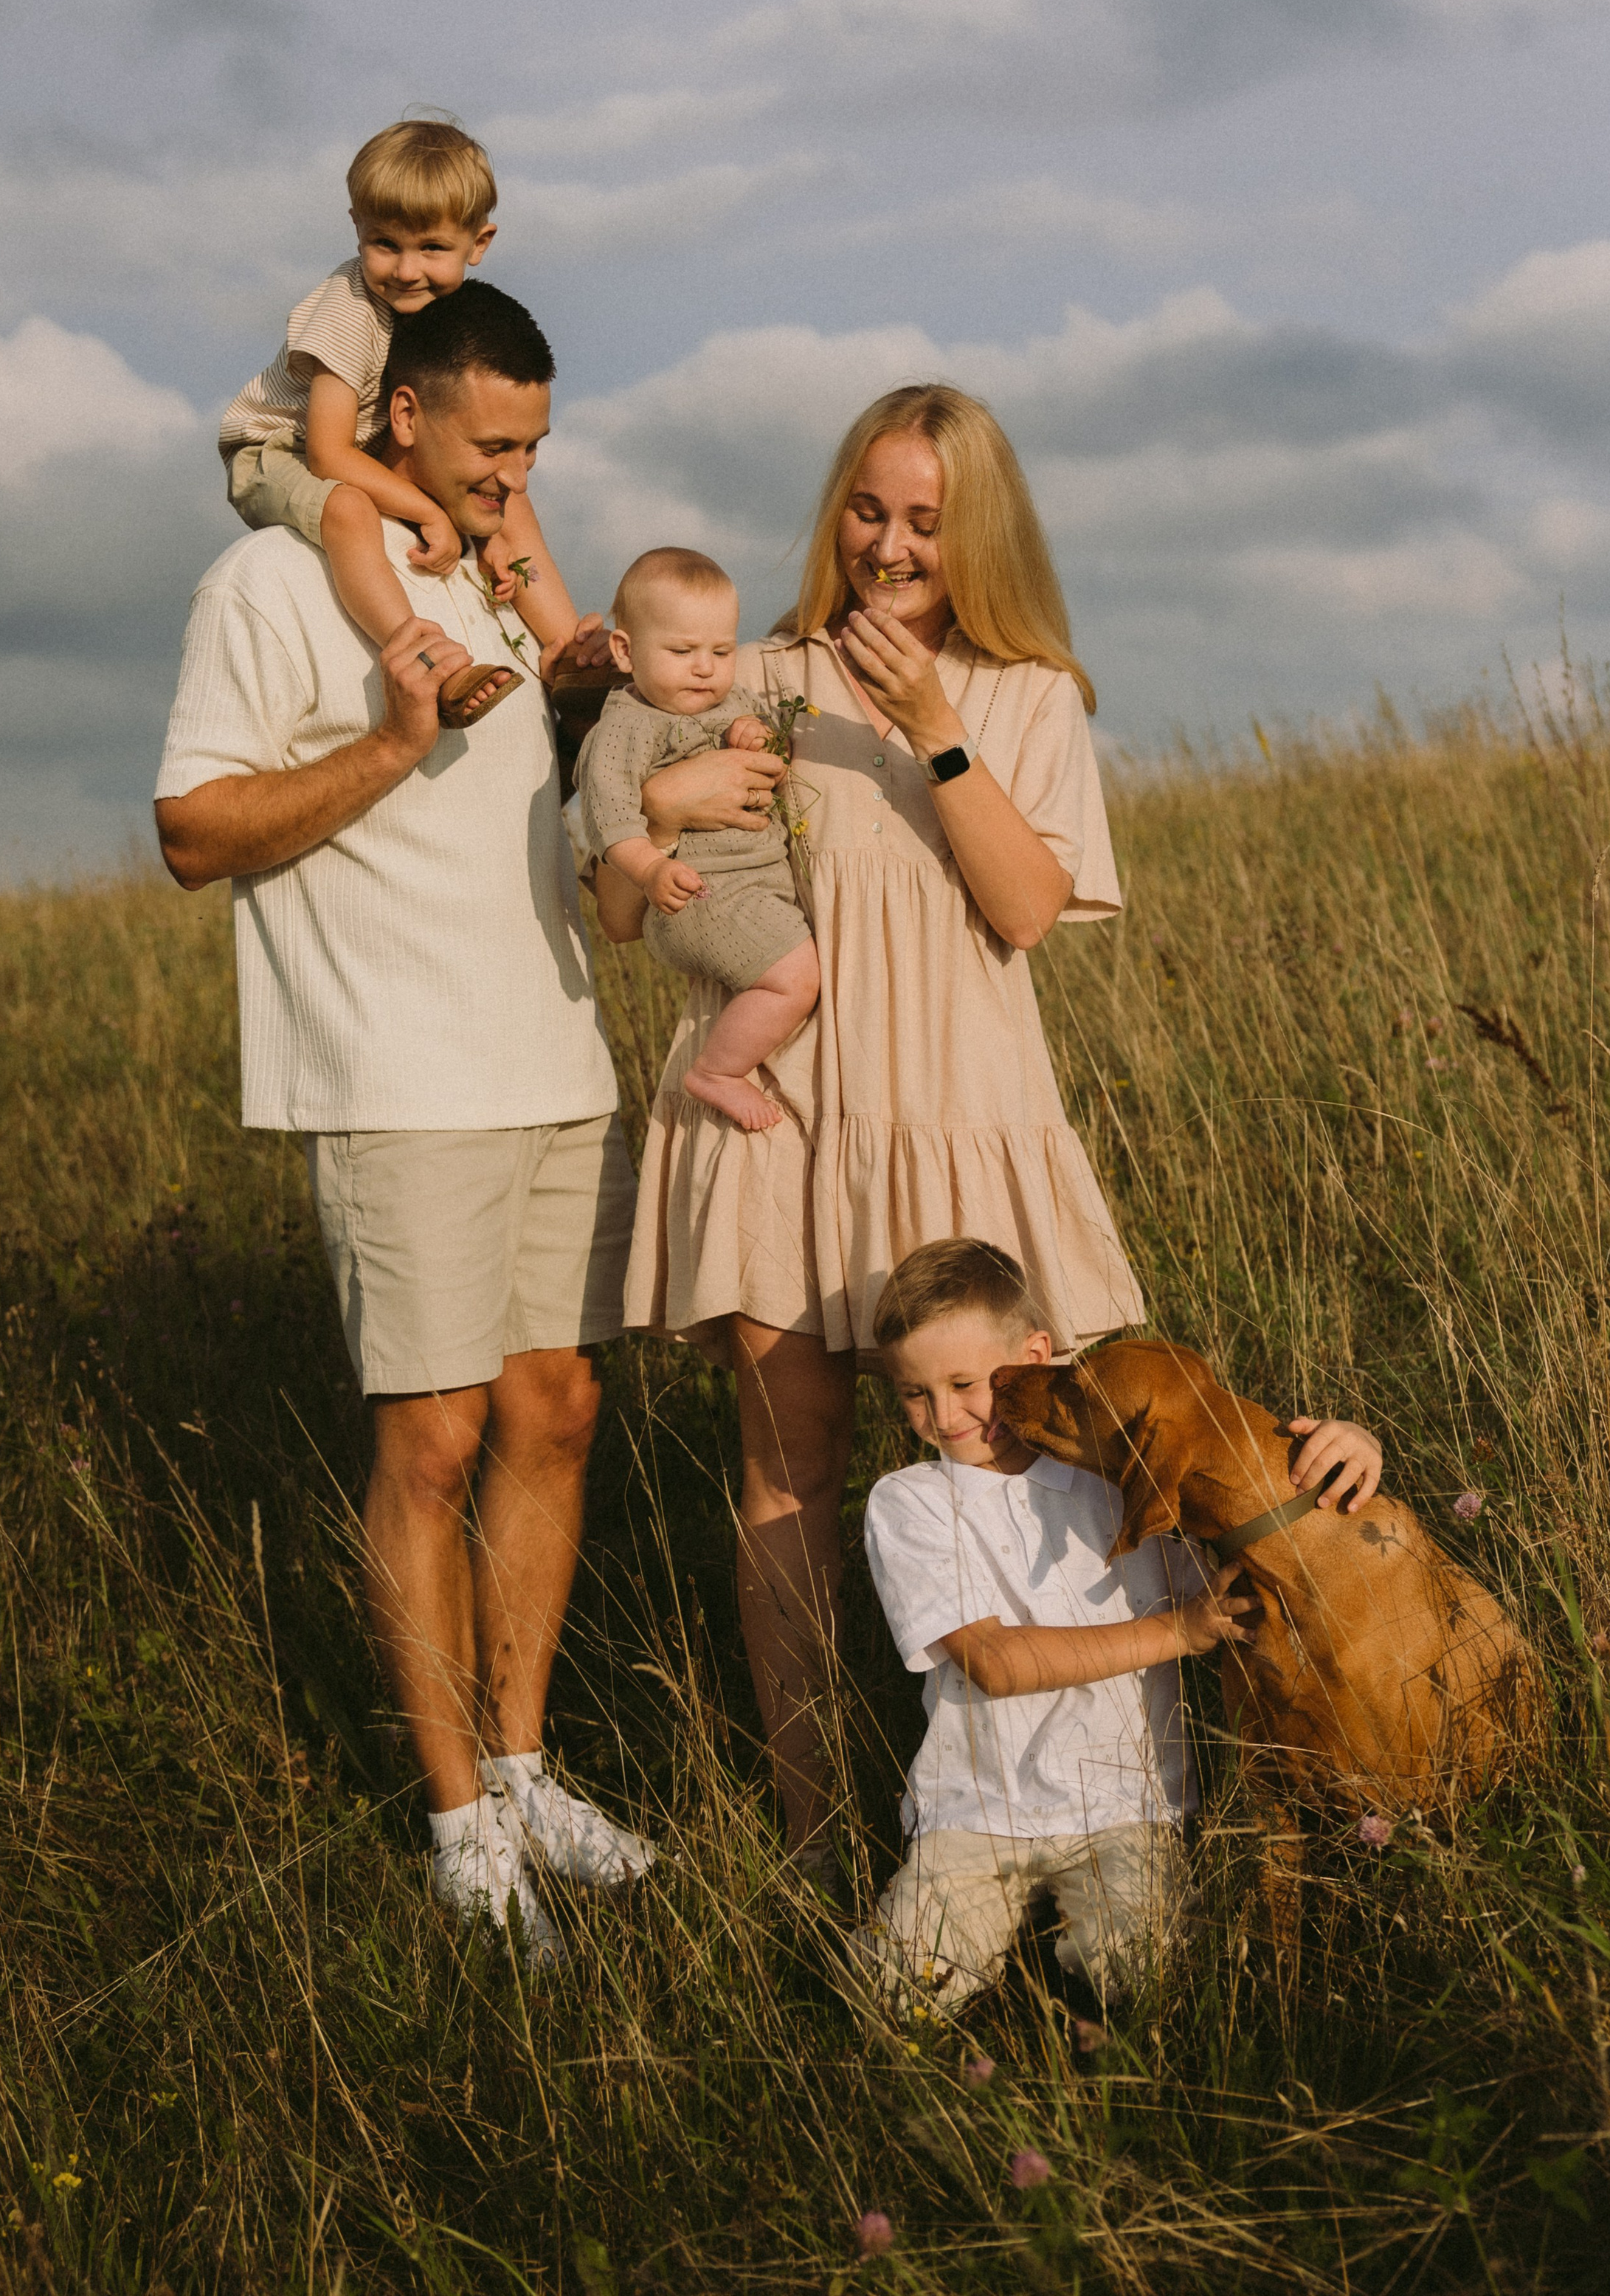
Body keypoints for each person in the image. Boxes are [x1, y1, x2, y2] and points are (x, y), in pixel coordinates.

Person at [601, 382, 1354, 1872]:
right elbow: (616, 898)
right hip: (778, 1111)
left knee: (1036, 1454)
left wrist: (939, 732)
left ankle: (1080, 1820)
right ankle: (816, 1832)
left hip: (956, 1107)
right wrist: (663, 793)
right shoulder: (753, 671)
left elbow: (1020, 909)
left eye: (925, 523)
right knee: (785, 1475)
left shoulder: (1025, 690)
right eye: (867, 510)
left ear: (976, 535)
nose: (887, 545)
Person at [156, 280, 647, 1958]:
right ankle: (455, 1829)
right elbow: (193, 828)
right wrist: (387, 742)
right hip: (396, 1074)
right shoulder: (275, 579)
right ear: (394, 417)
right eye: (488, 443)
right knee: (428, 1442)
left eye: (531, 447)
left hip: (557, 1055)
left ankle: (519, 1768)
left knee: (556, 1411)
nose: (513, 475)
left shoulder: (501, 580)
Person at [858, 1238, 1381, 2010]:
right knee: (897, 1994)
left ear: (1033, 1357)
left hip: (1125, 1811)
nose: (942, 1416)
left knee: (1157, 1989)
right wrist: (1177, 1632)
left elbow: (1249, 1549)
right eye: (913, 1393)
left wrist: (1349, 1448)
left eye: (965, 1384)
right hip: (976, 1812)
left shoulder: (1119, 1471)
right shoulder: (910, 1502)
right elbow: (996, 1662)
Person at [218, 114, 575, 721]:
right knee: (349, 511)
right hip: (278, 450)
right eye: (386, 244)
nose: (406, 270)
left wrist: (482, 538)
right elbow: (328, 457)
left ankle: (569, 657)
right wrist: (430, 512)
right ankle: (420, 652)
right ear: (357, 228)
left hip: (363, 443)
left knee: (509, 496)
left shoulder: (441, 311)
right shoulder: (348, 311)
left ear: (479, 245)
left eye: (432, 248)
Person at [574, 547, 820, 1133]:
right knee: (797, 977)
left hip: (753, 886)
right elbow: (611, 820)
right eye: (683, 652)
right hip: (699, 895)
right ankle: (718, 1071)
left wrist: (757, 737)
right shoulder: (624, 728)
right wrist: (652, 870)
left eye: (721, 651)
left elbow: (774, 770)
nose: (705, 668)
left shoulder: (731, 700)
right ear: (625, 651)